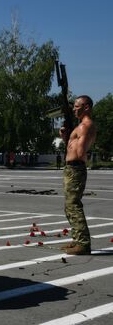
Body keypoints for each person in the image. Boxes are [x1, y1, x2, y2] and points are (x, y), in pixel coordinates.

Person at [60, 95, 97, 255]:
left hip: (75, 168)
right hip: (72, 168)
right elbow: (72, 145)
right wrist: (65, 137)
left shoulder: (85, 126)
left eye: (77, 106)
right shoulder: (81, 126)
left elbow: (80, 151)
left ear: (86, 107)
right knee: (69, 206)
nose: (74, 109)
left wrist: (77, 160)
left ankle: (83, 243)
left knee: (73, 205)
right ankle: (77, 239)